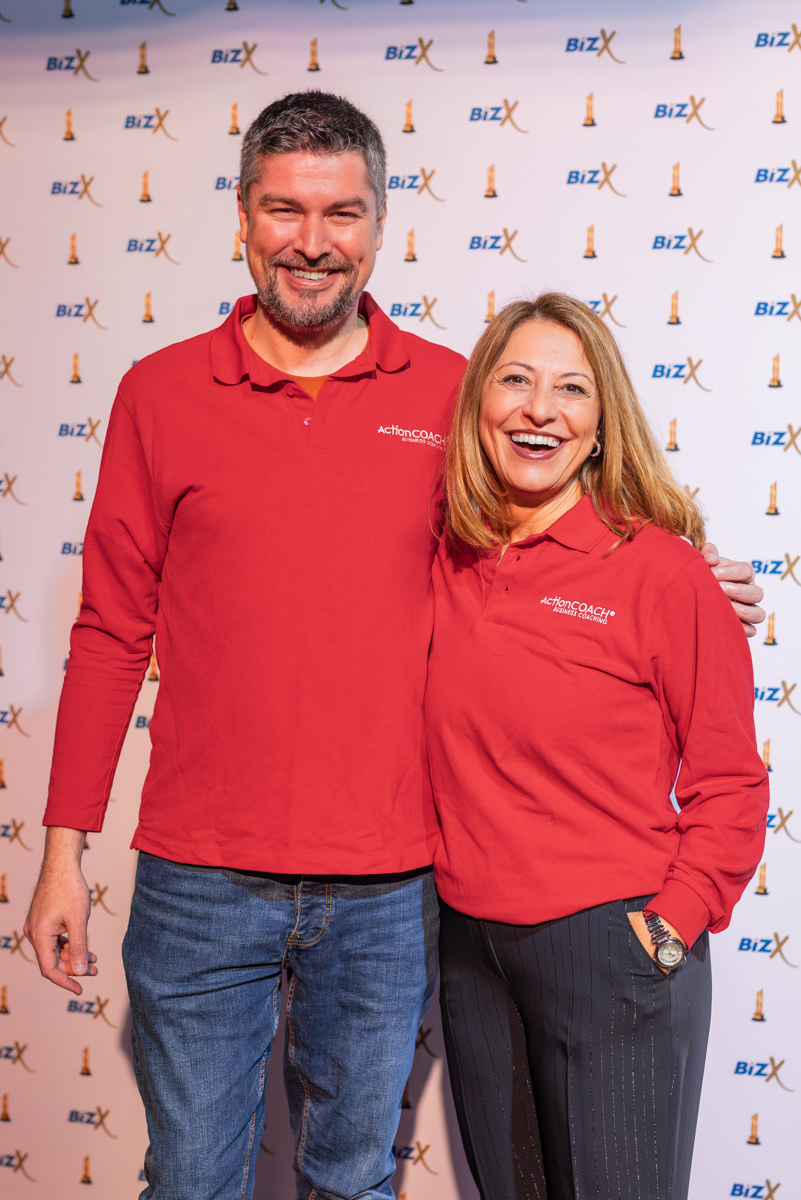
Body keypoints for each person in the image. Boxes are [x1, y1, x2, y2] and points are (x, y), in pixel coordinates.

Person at [23, 92, 762, 1200]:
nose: (311, 241)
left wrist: (687, 572)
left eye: (341, 213)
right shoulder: (158, 393)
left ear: (379, 224)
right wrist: (62, 854)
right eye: (285, 210)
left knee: (355, 1180)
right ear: (242, 216)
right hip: (198, 879)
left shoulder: (456, 394)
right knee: (189, 1181)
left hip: (388, 890)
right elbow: (110, 630)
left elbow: (552, 497)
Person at [425, 294, 770, 1200]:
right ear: (477, 402)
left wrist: (666, 933)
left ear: (601, 422)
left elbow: (732, 783)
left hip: (612, 943)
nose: (540, 409)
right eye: (515, 380)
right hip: (468, 951)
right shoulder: (442, 556)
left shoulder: (660, 571)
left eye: (571, 388)